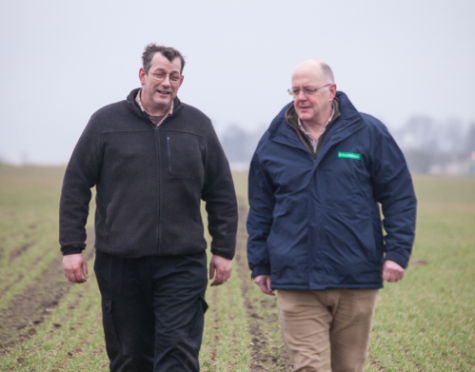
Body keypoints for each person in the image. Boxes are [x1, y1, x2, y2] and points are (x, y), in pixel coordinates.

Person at [59, 44, 238, 372]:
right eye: (159, 74)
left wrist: (224, 250)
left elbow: (222, 192)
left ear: (181, 81)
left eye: (174, 76)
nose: (166, 82)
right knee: (131, 358)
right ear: (143, 75)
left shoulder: (197, 126)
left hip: (182, 263)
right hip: (121, 264)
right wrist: (72, 247)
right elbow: (75, 185)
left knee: (178, 355)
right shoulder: (105, 123)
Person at [247, 60, 416, 372]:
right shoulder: (273, 142)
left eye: (309, 90)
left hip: (356, 276)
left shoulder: (369, 133)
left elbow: (399, 196)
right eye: (295, 90)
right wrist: (260, 263)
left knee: (348, 368)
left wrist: (398, 253)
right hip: (296, 277)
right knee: (309, 367)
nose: (300, 97)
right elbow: (260, 209)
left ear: (331, 91)